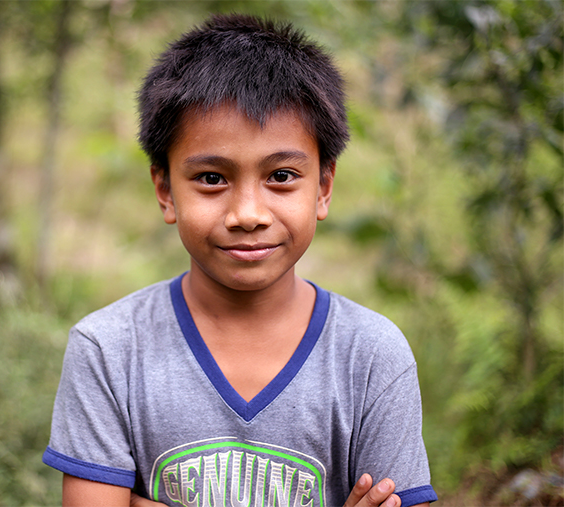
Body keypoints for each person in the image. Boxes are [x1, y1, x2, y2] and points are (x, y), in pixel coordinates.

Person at [43, 13, 438, 507]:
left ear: (324, 187)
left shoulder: (372, 357)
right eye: (212, 178)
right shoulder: (109, 350)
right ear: (165, 190)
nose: (247, 214)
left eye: (282, 176)